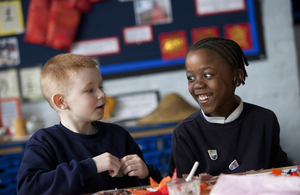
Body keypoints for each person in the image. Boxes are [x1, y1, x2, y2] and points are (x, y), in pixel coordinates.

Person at [17, 53, 162, 195]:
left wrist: (146, 173)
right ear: (61, 102)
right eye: (90, 90)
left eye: (101, 87)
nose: (102, 94)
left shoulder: (118, 135)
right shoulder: (44, 141)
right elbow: (28, 189)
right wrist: (91, 166)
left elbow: (153, 187)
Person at [167, 37, 289, 177]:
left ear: (236, 77)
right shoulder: (185, 133)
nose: (198, 85)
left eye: (207, 75)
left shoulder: (265, 120)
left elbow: (282, 173)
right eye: (191, 78)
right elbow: (178, 186)